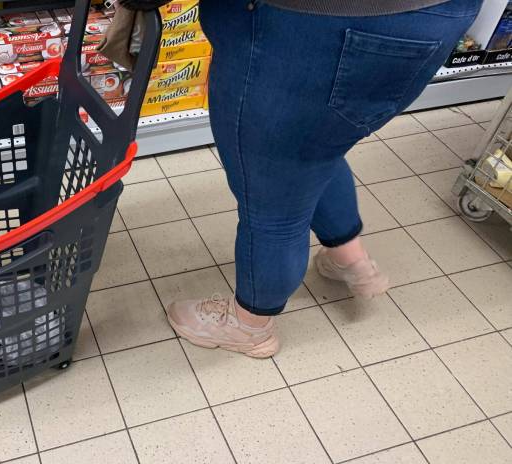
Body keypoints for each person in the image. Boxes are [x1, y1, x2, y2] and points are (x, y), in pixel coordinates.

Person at [120, 0, 482, 357]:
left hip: (304, 23)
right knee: (316, 143)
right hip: (435, 18)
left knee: (270, 194)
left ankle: (249, 326)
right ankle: (350, 259)